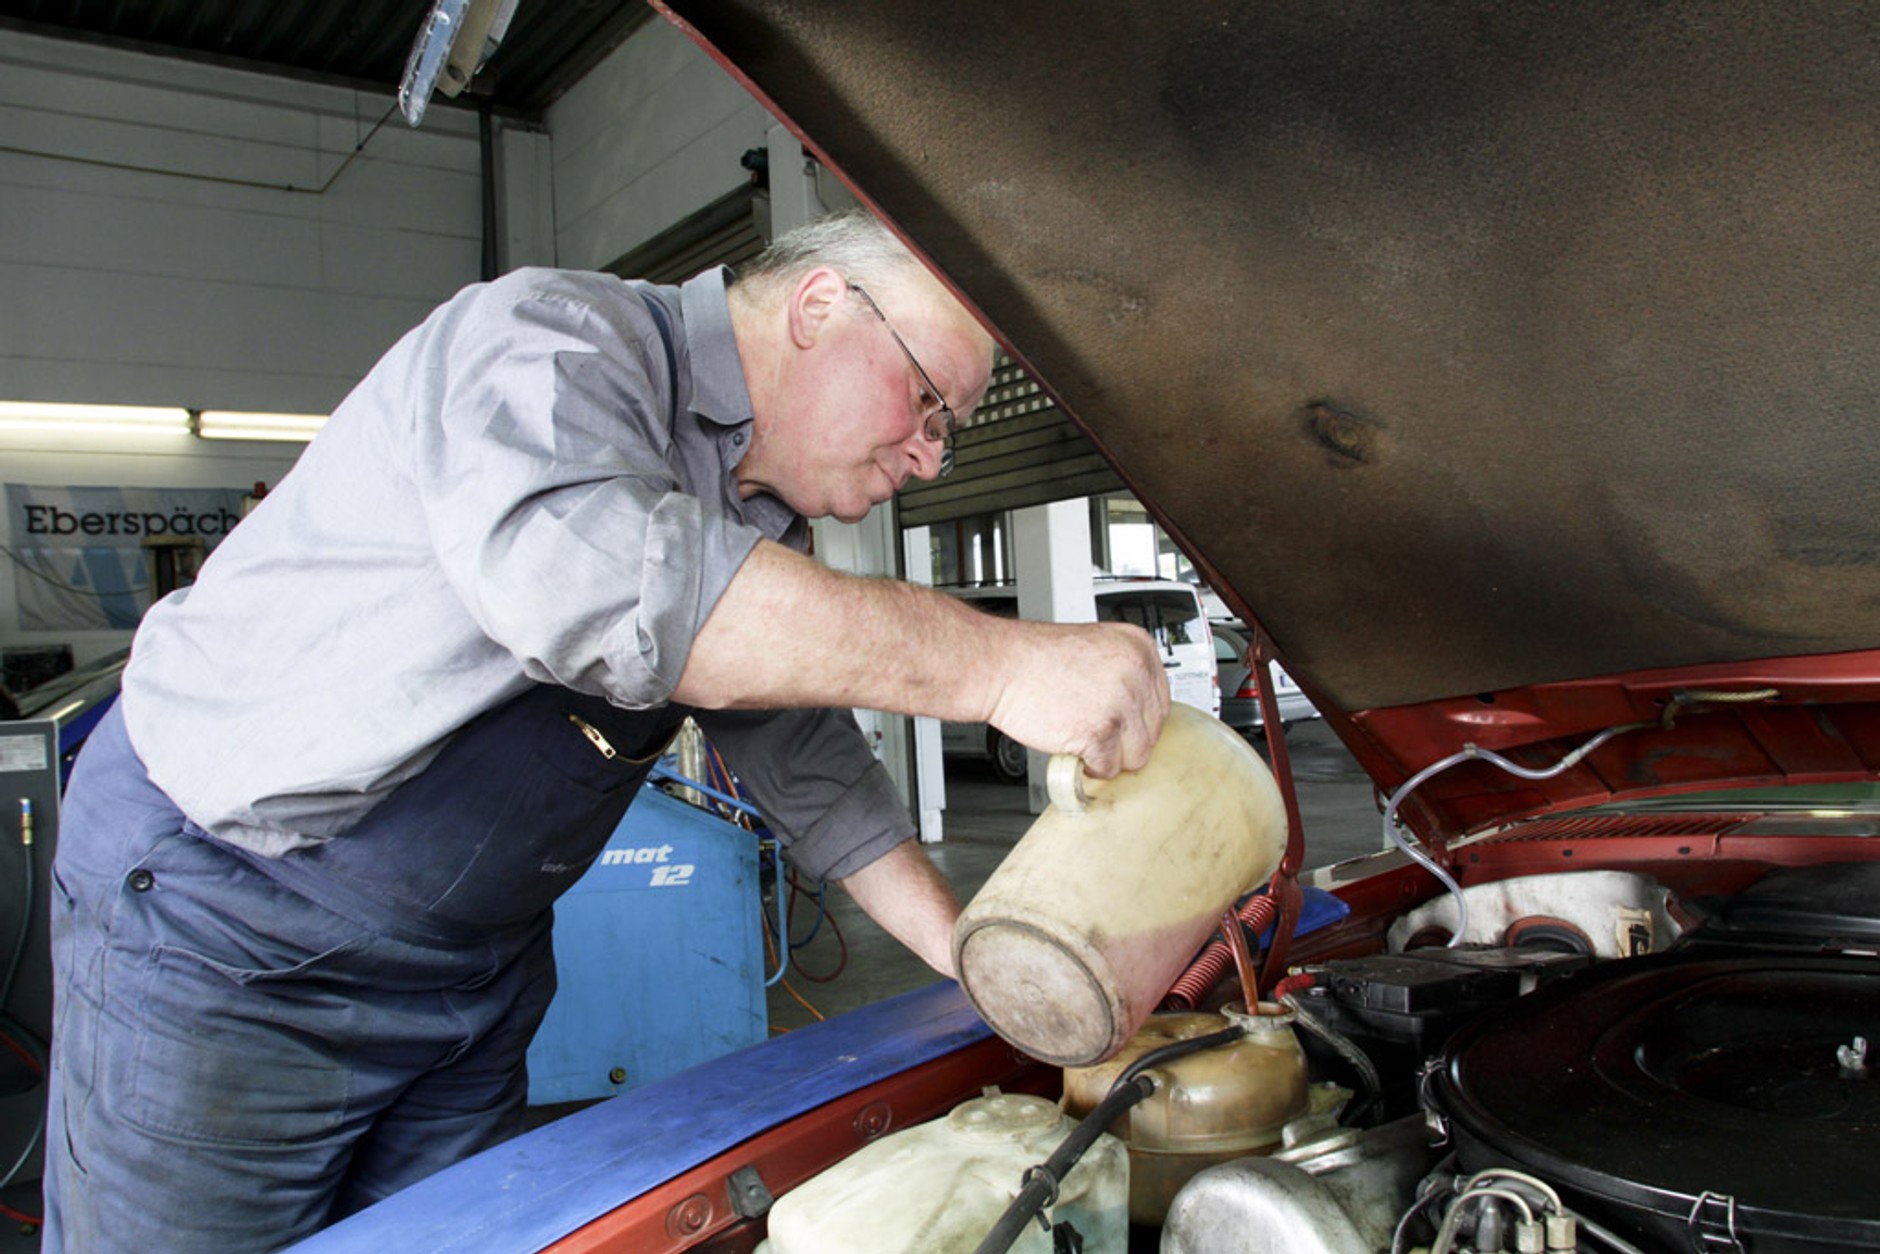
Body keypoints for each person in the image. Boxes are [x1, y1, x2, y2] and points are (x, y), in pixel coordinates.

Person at [43, 209, 1169, 1251]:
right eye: (927, 401)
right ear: (820, 307)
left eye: (950, 433)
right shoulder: (548, 341)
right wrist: (998, 662)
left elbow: (806, 761)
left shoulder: (752, 509)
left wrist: (971, 963)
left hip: (469, 973)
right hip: (231, 931)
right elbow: (593, 585)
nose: (929, 456)